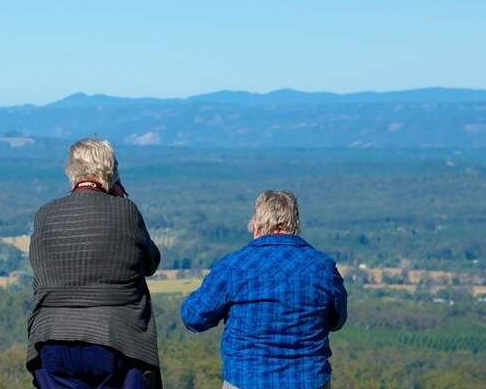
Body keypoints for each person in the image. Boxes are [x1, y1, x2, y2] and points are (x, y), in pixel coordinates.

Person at [27, 138, 163, 389]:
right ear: (111, 171)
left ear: (71, 171)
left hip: (52, 337)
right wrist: (120, 200)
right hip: (117, 338)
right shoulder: (125, 211)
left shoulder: (44, 214)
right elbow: (150, 262)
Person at [180, 191, 348, 389]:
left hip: (246, 380)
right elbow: (337, 320)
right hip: (308, 380)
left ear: (256, 224)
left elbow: (193, 317)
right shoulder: (323, 267)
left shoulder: (234, 266)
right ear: (295, 223)